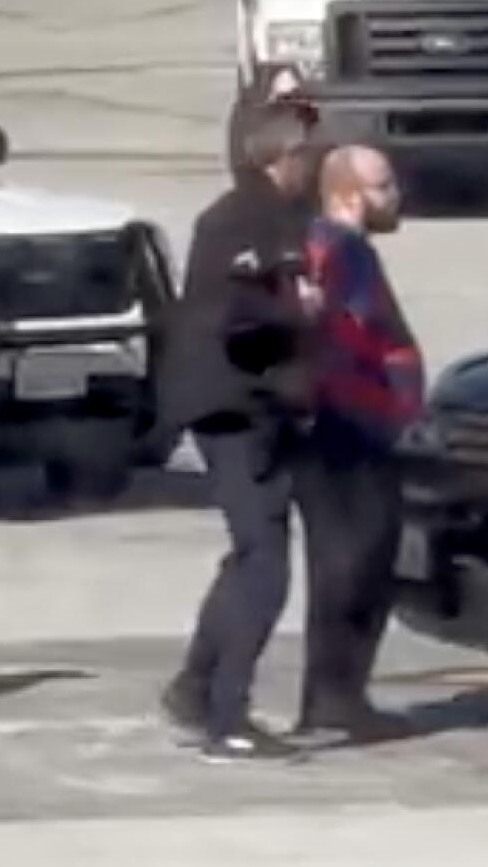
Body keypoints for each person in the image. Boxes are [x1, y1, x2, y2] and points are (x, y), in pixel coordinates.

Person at [161, 102, 319, 762]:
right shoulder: (249, 218)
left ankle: (195, 687)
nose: (318, 161)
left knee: (249, 554)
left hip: (241, 406)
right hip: (235, 409)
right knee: (266, 567)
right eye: (312, 151)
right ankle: (227, 715)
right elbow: (239, 317)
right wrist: (299, 310)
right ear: (283, 157)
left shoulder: (254, 213)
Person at [293, 145, 425, 741]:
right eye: (384, 186)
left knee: (350, 562)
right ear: (349, 196)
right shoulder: (341, 252)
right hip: (350, 428)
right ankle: (335, 696)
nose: (396, 196)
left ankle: (335, 695)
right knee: (356, 562)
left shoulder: (337, 248)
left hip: (353, 424)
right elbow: (351, 334)